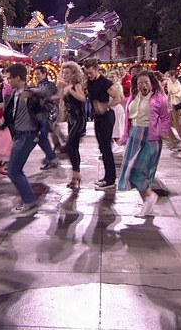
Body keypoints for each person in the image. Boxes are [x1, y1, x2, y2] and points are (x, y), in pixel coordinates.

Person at [117, 71, 171, 217]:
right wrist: (125, 136)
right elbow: (128, 120)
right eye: (140, 82)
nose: (143, 85)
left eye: (146, 82)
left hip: (150, 137)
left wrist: (163, 131)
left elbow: (165, 117)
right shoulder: (133, 97)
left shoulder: (159, 98)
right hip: (134, 135)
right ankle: (148, 202)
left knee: (141, 171)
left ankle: (149, 198)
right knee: (131, 171)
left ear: (152, 83)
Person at [1, 63, 49, 216]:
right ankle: (29, 201)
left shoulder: (32, 94)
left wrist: (40, 135)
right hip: (19, 135)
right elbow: (12, 113)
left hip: (27, 136)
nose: (8, 81)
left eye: (10, 78)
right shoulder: (15, 94)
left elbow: (43, 114)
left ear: (18, 78)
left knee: (13, 171)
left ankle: (30, 202)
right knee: (15, 170)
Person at [83, 59, 123, 190]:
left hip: (107, 117)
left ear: (96, 69)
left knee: (106, 148)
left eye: (90, 73)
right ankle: (107, 177)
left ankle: (110, 179)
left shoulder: (105, 82)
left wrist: (106, 106)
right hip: (98, 117)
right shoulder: (90, 82)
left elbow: (119, 97)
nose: (88, 75)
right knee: (102, 148)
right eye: (86, 73)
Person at [60, 61, 87, 189]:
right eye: (63, 73)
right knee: (73, 148)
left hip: (79, 119)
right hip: (71, 120)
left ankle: (76, 175)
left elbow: (82, 98)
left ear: (74, 73)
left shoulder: (76, 85)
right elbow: (65, 106)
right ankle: (76, 176)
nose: (65, 75)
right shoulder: (67, 86)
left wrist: (70, 90)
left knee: (70, 145)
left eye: (67, 73)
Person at [32, 65, 60, 170]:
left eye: (38, 74)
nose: (36, 76)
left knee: (42, 137)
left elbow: (43, 94)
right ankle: (50, 157)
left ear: (44, 74)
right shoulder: (38, 85)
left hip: (47, 115)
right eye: (35, 74)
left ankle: (51, 158)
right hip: (40, 115)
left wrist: (32, 92)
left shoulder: (50, 85)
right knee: (41, 138)